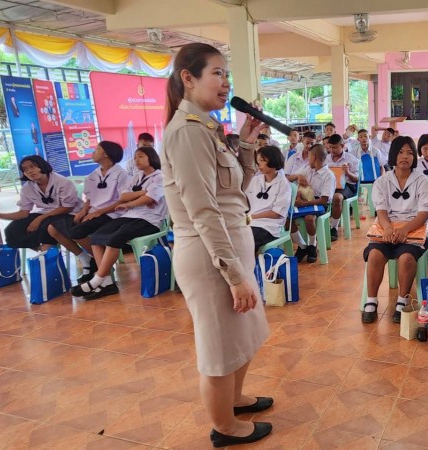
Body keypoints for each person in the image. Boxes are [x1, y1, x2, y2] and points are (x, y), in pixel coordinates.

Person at [161, 43, 272, 447]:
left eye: (228, 75)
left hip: (230, 246)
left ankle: (236, 400)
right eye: (217, 73)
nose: (226, 83)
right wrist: (233, 275)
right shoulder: (187, 133)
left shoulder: (206, 127)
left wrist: (244, 142)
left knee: (244, 333)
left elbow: (235, 191)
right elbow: (203, 211)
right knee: (219, 345)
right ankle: (224, 426)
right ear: (188, 78)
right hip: (211, 257)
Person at [71, 146, 167, 300]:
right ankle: (107, 283)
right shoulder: (137, 176)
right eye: (135, 157)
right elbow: (123, 195)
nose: (136, 160)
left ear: (152, 158)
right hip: (130, 216)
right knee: (96, 237)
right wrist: (143, 193)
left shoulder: (160, 177)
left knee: (115, 238)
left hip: (149, 219)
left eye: (141, 156)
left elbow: (149, 199)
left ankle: (97, 279)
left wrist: (131, 202)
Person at [361, 136, 428, 324]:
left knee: (406, 258)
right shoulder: (382, 181)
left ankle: (402, 301)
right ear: (393, 154)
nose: (405, 157)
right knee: (375, 254)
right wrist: (387, 228)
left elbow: (423, 214)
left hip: (414, 228)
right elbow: (381, 210)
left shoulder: (422, 181)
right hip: (387, 227)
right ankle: (371, 301)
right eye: (400, 152)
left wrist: (405, 230)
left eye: (410, 153)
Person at [64, 141, 131, 283]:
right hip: (95, 213)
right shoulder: (92, 176)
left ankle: (102, 265)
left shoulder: (121, 174)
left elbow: (122, 201)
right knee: (71, 228)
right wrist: (83, 211)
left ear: (106, 154)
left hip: (113, 214)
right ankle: (102, 264)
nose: (93, 152)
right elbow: (89, 199)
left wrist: (99, 212)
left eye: (97, 149)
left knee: (78, 232)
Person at [0, 155, 80, 251]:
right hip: (47, 213)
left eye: (32, 166)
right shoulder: (27, 188)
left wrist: (40, 218)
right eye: (25, 169)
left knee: (44, 227)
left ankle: (48, 252)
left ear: (42, 166)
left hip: (68, 213)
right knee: (13, 229)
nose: (29, 171)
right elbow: (23, 213)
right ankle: (43, 252)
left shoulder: (62, 182)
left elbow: (68, 208)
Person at [287, 144, 336, 263]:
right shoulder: (307, 169)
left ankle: (312, 245)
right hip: (304, 201)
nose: (308, 159)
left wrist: (303, 204)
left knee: (309, 218)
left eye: (308, 156)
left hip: (319, 203)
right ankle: (302, 246)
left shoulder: (328, 175)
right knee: (286, 217)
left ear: (313, 157)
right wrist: (298, 176)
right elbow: (288, 178)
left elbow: (324, 200)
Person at [246, 146, 292, 250]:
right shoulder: (255, 180)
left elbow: (276, 213)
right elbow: (244, 200)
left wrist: (251, 217)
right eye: (258, 161)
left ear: (273, 159)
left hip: (269, 226)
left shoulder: (283, 184)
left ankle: (252, 265)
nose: (259, 165)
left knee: (246, 242)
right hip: (250, 222)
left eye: (262, 161)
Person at [324, 134, 359, 241]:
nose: (332, 150)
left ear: (342, 146)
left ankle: (333, 227)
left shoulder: (351, 159)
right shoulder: (325, 159)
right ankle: (319, 226)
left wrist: (348, 172)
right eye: (330, 147)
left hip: (346, 186)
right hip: (329, 185)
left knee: (337, 197)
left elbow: (356, 179)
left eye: (335, 147)